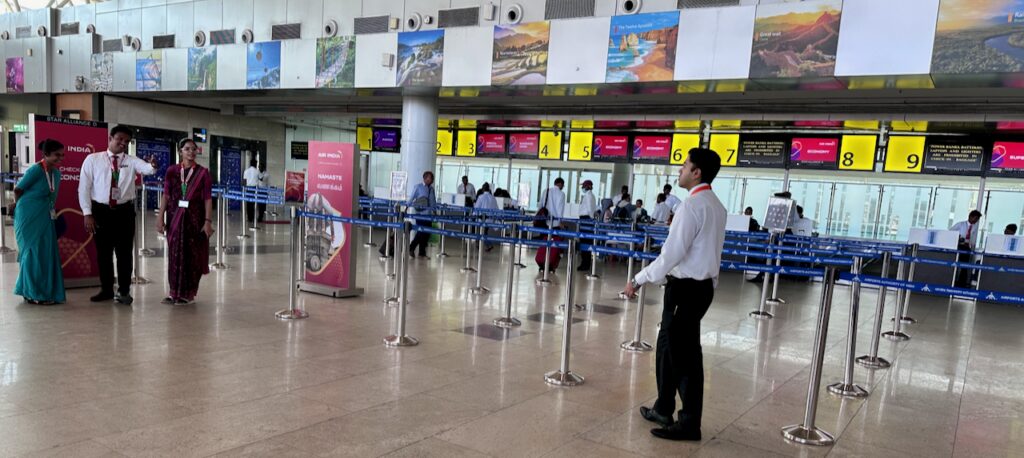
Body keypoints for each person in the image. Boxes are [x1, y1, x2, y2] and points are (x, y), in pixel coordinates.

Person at [626, 148, 726, 442]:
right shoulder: (715, 205)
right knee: (667, 347)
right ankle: (663, 407)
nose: (679, 170)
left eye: (684, 166)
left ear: (697, 172)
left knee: (685, 358)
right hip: (698, 288)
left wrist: (638, 279)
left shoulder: (692, 207)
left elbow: (671, 255)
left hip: (686, 289)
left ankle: (689, 424)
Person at [78, 125, 157, 305]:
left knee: (124, 254)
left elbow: (147, 169)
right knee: (103, 253)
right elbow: (84, 188)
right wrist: (87, 213)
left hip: (124, 212)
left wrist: (152, 166)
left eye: (127, 141)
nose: (123, 143)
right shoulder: (93, 159)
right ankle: (106, 289)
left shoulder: (131, 160)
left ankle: (124, 291)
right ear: (110, 138)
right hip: (100, 211)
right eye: (120, 139)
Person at [156, 139, 213, 305]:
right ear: (180, 151)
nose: (191, 152)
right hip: (175, 219)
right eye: (187, 149)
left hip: (194, 221)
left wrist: (208, 221)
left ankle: (188, 294)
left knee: (192, 257)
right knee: (174, 255)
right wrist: (160, 217)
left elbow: (208, 199)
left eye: (194, 149)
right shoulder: (172, 171)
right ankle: (174, 292)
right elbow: (166, 195)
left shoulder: (203, 173)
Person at [10, 139, 66, 305]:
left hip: (45, 215)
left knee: (45, 253)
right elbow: (18, 189)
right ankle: (33, 293)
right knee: (32, 253)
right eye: (57, 155)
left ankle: (43, 291)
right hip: (28, 215)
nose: (60, 158)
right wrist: (17, 205)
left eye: (62, 155)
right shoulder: (35, 170)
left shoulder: (56, 174)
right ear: (46, 154)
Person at [408, 171, 436, 258]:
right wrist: (406, 207)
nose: (432, 180)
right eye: (430, 178)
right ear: (425, 178)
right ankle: (411, 248)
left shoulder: (431, 189)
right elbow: (411, 198)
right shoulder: (418, 187)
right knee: (420, 232)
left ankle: (422, 252)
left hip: (429, 215)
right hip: (420, 214)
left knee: (426, 233)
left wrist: (435, 211)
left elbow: (433, 202)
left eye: (432, 178)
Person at [951, 210, 982, 287]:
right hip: (959, 247)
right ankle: (954, 281)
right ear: (971, 217)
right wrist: (959, 238)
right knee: (957, 265)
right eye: (975, 218)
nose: (976, 221)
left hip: (967, 248)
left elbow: (973, 239)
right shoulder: (960, 224)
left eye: (977, 219)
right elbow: (950, 233)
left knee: (965, 266)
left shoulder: (974, 228)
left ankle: (962, 283)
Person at [577, 179, 597, 271]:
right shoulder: (590, 195)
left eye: (584, 186)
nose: (582, 188)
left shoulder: (588, 196)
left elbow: (590, 209)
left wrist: (591, 219)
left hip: (586, 219)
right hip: (586, 219)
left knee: (585, 241)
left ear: (588, 186)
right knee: (586, 241)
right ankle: (585, 263)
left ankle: (585, 264)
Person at [243, 159, 260, 224]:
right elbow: (259, 180)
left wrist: (245, 189)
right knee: (253, 203)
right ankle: (252, 217)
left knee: (248, 203)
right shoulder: (257, 171)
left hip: (248, 188)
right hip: (254, 189)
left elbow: (244, 181)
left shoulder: (246, 171)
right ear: (255, 164)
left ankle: (249, 217)